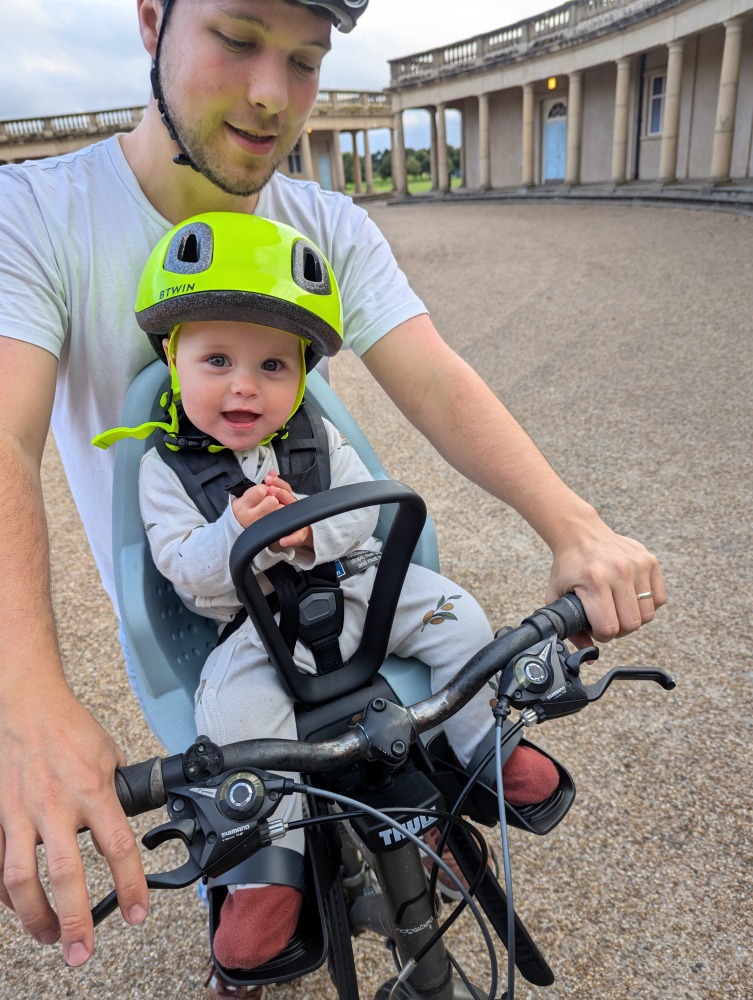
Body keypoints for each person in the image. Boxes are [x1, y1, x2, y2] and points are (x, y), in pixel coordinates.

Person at [0, 0, 665, 979]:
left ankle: (470, 767)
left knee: (450, 632)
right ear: (151, 18)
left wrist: (574, 524)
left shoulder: (323, 223)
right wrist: (29, 694)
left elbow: (434, 375)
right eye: (235, 36)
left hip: (356, 594)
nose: (273, 96)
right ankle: (266, 873)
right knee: (244, 780)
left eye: (307, 60)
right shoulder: (38, 214)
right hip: (217, 632)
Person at [98, 210, 559, 976]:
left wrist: (308, 534)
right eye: (216, 360)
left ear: (302, 374)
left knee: (457, 615)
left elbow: (367, 510)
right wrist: (233, 537)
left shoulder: (315, 435)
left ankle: (486, 751)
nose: (245, 385)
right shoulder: (164, 468)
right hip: (254, 631)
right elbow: (183, 571)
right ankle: (265, 881)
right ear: (172, 360)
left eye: (273, 367)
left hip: (355, 592)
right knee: (235, 728)